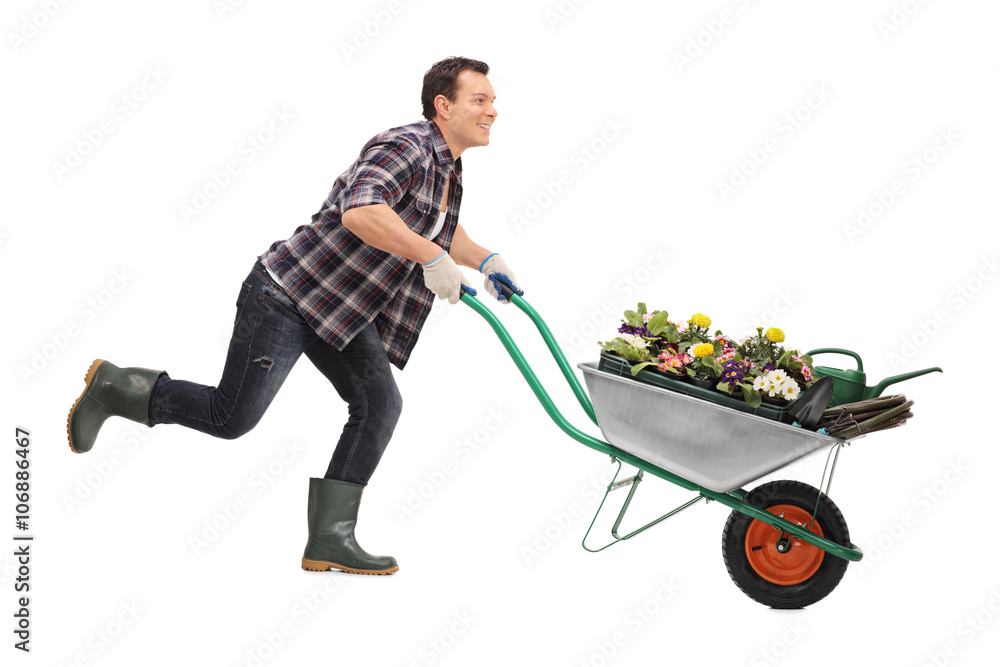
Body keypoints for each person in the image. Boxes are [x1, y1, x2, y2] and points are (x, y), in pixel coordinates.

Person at [66, 56, 522, 576]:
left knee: (379, 405)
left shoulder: (447, 167)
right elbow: (363, 210)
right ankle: (117, 387)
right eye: (479, 100)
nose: (492, 111)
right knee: (230, 417)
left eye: (491, 101)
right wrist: (430, 257)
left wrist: (485, 260)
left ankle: (330, 539)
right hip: (286, 295)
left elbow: (441, 228)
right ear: (444, 106)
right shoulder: (407, 146)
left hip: (341, 310)